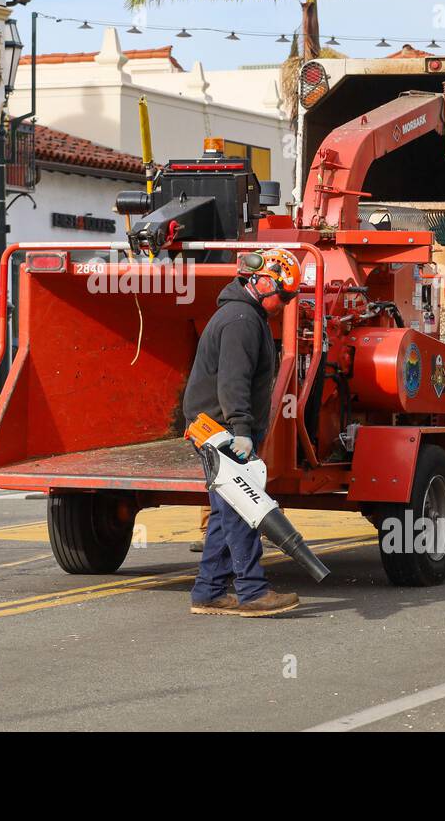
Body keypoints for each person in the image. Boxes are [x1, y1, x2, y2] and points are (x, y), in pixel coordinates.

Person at [182, 247, 302, 617]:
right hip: (221, 431)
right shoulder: (241, 320)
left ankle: (209, 591)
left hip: (215, 427)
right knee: (242, 508)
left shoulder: (243, 314)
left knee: (224, 511)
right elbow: (233, 380)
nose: (284, 304)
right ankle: (252, 592)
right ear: (263, 282)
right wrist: (241, 429)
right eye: (282, 296)